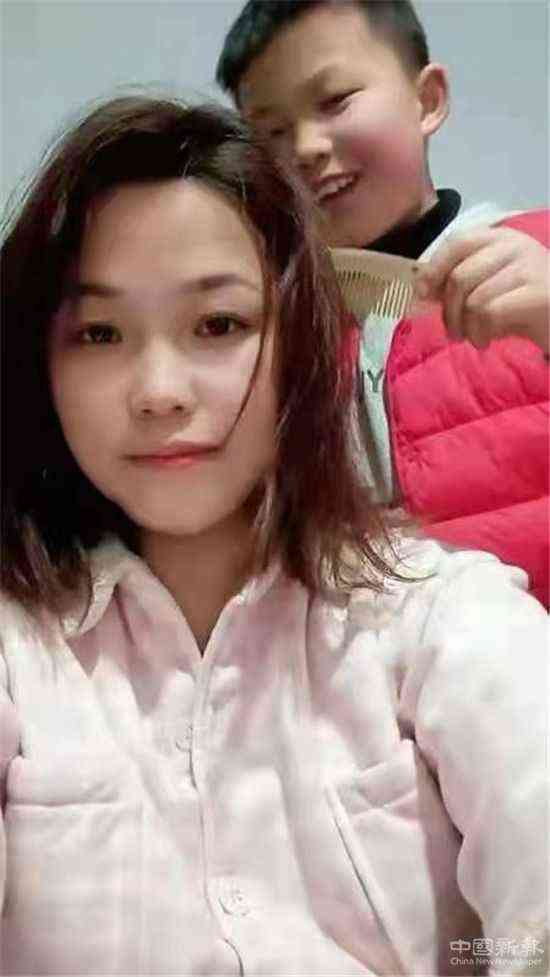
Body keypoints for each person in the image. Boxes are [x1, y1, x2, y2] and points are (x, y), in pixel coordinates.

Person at [0, 95, 547, 977]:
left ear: (301, 343)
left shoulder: (443, 619)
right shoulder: (19, 651)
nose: (159, 390)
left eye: (218, 324)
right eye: (99, 332)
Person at [216, 0, 550, 608]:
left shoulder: (538, 254)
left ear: (428, 100)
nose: (306, 147)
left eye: (335, 100)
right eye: (271, 132)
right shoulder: (272, 338)